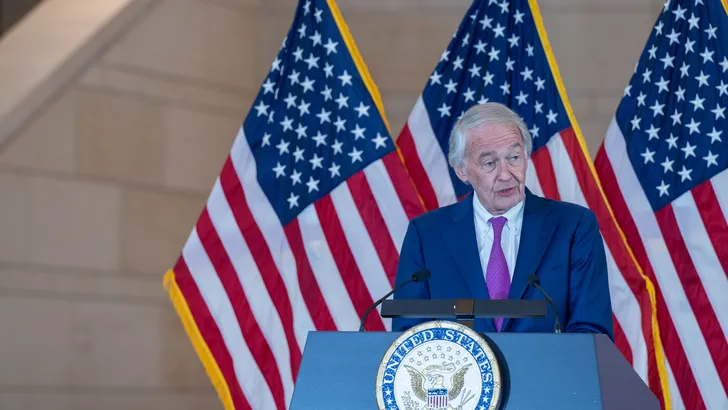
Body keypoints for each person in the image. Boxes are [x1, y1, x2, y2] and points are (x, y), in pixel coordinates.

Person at [392, 102, 614, 339]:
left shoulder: (574, 227)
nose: (506, 174)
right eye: (490, 163)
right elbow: (408, 337)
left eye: (514, 157)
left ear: (526, 158)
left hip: (546, 364)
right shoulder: (426, 235)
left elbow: (591, 332)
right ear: (461, 171)